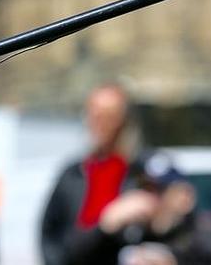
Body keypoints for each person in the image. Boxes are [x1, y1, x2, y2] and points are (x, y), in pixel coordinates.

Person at [61, 152, 211, 265]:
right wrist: (105, 225)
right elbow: (70, 257)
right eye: (145, 189)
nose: (149, 198)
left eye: (160, 191)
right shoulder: (128, 232)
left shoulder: (198, 236)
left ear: (184, 198)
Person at [40, 83, 143, 265]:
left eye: (109, 116)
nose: (100, 123)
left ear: (123, 120)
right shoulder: (73, 174)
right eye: (94, 114)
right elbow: (49, 233)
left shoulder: (140, 172)